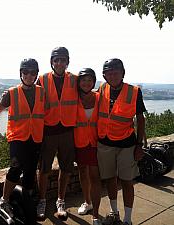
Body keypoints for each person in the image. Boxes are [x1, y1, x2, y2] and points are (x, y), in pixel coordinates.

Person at [0, 58, 45, 217]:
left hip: (35, 138)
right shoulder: (12, 93)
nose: (29, 76)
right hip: (18, 138)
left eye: (33, 73)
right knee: (15, 169)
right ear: (21, 74)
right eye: (26, 72)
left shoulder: (42, 92)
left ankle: (28, 203)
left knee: (30, 172)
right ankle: (4, 200)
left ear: (36, 74)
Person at [97, 58, 145, 225]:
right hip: (105, 142)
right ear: (104, 75)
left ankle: (127, 219)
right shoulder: (102, 88)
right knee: (110, 179)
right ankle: (114, 212)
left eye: (116, 71)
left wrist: (139, 146)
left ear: (123, 73)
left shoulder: (134, 91)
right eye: (109, 72)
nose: (112, 75)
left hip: (127, 144)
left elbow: (140, 119)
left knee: (126, 181)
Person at [37, 47, 78, 220]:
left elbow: (88, 92)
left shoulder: (76, 79)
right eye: (56, 60)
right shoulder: (42, 79)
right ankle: (42, 200)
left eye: (63, 60)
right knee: (44, 168)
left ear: (67, 62)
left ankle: (61, 200)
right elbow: (28, 95)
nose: (60, 63)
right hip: (48, 130)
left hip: (68, 130)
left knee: (66, 168)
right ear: (52, 62)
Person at [74, 68, 102, 225]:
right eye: (83, 80)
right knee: (82, 173)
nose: (86, 83)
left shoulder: (100, 97)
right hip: (79, 143)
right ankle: (87, 202)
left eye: (90, 80)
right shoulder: (74, 99)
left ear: (94, 82)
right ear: (79, 82)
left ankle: (96, 215)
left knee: (95, 177)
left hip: (96, 143)